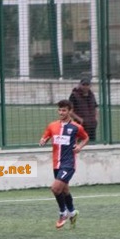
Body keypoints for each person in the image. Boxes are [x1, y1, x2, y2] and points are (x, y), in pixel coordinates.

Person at [39, 100, 89, 229]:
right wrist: (43, 140)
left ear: (70, 111)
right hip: (56, 163)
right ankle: (72, 212)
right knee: (64, 189)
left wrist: (79, 146)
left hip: (69, 163)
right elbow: (46, 136)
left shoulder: (76, 127)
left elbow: (85, 138)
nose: (61, 113)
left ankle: (63, 213)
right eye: (59, 110)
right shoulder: (52, 126)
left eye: (64, 110)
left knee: (55, 188)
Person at [69, 77, 99, 142]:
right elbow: (70, 111)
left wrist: (96, 118)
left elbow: (95, 107)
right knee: (80, 143)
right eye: (83, 85)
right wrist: (80, 120)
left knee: (92, 143)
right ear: (80, 85)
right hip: (80, 125)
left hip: (92, 125)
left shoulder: (92, 95)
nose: (85, 87)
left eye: (87, 85)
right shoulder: (74, 95)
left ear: (90, 85)